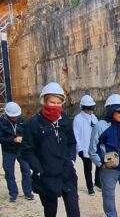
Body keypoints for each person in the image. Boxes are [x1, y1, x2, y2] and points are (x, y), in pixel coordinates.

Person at [22, 82, 80, 217]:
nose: (56, 106)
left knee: (74, 212)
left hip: (67, 174)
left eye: (59, 103)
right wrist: (39, 169)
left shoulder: (66, 121)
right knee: (50, 212)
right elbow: (27, 150)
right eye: (52, 102)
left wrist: (71, 160)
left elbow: (72, 143)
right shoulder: (33, 124)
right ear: (44, 101)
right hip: (46, 177)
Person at [89, 94, 120, 217]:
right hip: (108, 167)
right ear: (111, 111)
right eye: (119, 111)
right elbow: (92, 150)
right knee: (108, 195)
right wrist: (101, 164)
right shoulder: (100, 126)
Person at [0, 102, 33, 202]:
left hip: (21, 150)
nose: (15, 118)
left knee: (26, 170)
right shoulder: (1, 123)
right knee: (9, 172)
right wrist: (12, 140)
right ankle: (13, 193)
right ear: (7, 114)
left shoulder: (22, 121)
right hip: (8, 150)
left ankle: (28, 192)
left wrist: (24, 139)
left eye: (16, 116)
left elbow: (28, 134)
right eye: (12, 116)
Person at [73, 94, 100, 195]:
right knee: (88, 169)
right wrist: (79, 149)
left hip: (95, 147)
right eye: (88, 108)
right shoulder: (78, 119)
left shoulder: (94, 117)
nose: (90, 110)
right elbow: (76, 135)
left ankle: (98, 182)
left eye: (91, 108)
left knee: (99, 164)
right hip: (84, 148)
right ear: (83, 108)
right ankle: (90, 187)